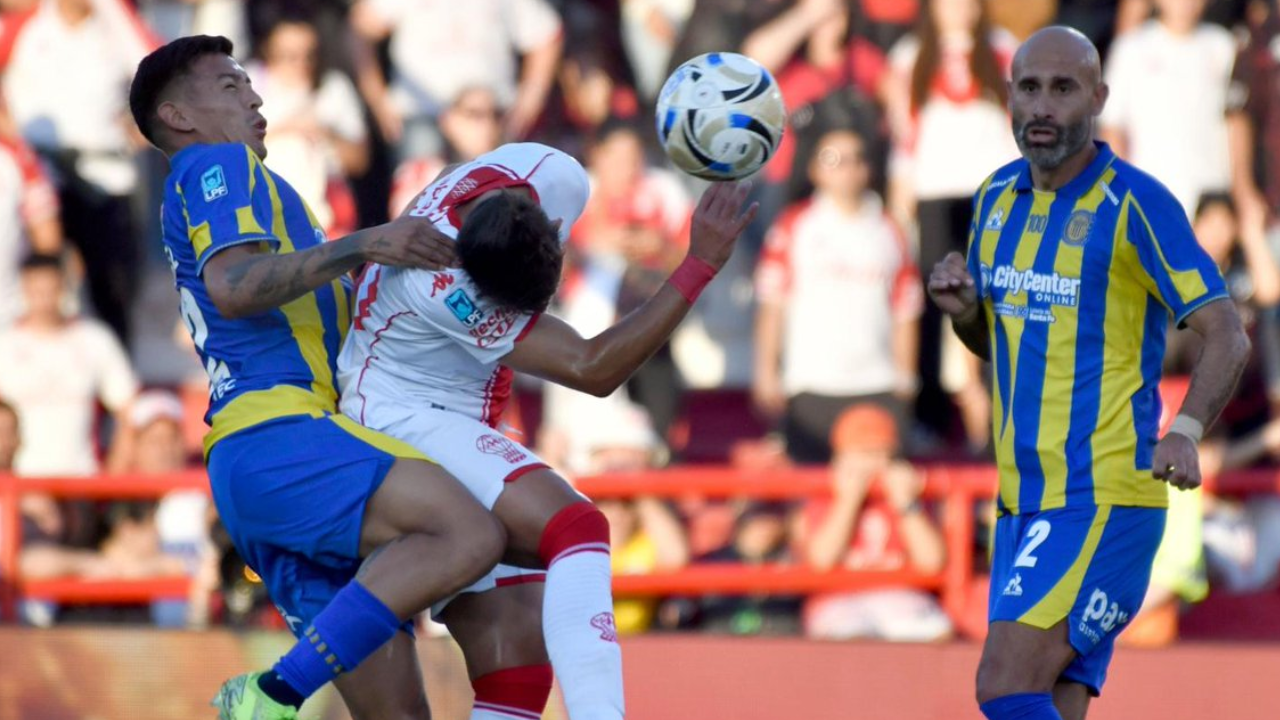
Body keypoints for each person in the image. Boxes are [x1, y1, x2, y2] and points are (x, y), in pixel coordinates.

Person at [129, 35, 507, 720]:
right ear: (178, 116)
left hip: (265, 467)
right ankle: (273, 691)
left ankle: (276, 697)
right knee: (468, 535)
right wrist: (363, 243)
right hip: (281, 436)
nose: (256, 97)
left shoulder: (260, 193)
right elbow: (235, 286)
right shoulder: (218, 164)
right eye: (230, 85)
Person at [337, 142, 755, 720]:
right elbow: (592, 368)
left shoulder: (554, 176)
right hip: (394, 413)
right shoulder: (440, 281)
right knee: (578, 526)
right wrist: (699, 263)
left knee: (517, 662)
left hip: (451, 407)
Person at [927, 26, 1251, 720]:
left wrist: (1187, 430)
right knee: (1050, 701)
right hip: (1022, 500)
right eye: (1029, 88)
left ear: (1099, 98)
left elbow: (1227, 331)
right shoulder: (993, 199)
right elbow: (1003, 344)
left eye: (1063, 88)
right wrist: (962, 314)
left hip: (1101, 496)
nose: (1042, 106)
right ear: (1009, 96)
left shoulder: (1137, 204)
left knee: (1004, 684)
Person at [753, 125, 921, 463]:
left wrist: (905, 375)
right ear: (814, 168)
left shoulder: (890, 230)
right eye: (834, 159)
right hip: (812, 384)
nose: (847, 168)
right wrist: (766, 371)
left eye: (856, 159)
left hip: (877, 383)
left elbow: (906, 309)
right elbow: (773, 304)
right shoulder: (793, 226)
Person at [799, 404, 951, 642]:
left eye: (881, 453)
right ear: (840, 456)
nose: (873, 463)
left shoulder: (907, 492)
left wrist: (907, 504)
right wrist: (848, 502)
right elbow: (822, 560)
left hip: (900, 594)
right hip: (839, 597)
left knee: (934, 631)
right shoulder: (826, 493)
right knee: (852, 638)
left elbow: (932, 562)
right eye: (863, 452)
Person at [1099, 0, 1236, 216]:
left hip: (1211, 200)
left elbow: (1237, 124)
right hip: (1152, 195)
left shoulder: (1223, 45)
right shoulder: (1131, 47)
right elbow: (1113, 126)